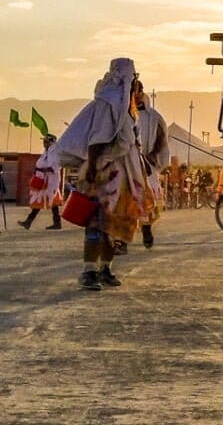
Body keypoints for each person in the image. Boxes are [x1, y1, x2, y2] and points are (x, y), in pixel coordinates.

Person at [54, 58, 156, 291]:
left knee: (115, 224)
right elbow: (98, 137)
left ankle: (105, 268)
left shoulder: (127, 108)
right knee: (97, 223)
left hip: (125, 173)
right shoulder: (108, 102)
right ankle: (89, 271)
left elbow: (132, 142)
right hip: (104, 172)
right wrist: (91, 167)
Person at [136, 87, 169, 250]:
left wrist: (150, 160)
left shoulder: (154, 118)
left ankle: (146, 230)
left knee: (145, 201)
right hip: (122, 164)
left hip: (146, 164)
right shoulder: (119, 115)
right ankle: (120, 240)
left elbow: (161, 142)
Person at [18, 134, 64, 230]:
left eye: (46, 142)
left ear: (50, 143)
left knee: (48, 200)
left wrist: (44, 170)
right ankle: (55, 223)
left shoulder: (54, 153)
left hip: (50, 180)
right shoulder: (46, 152)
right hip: (43, 179)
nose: (44, 144)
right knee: (45, 200)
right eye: (44, 142)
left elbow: (56, 166)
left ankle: (29, 222)